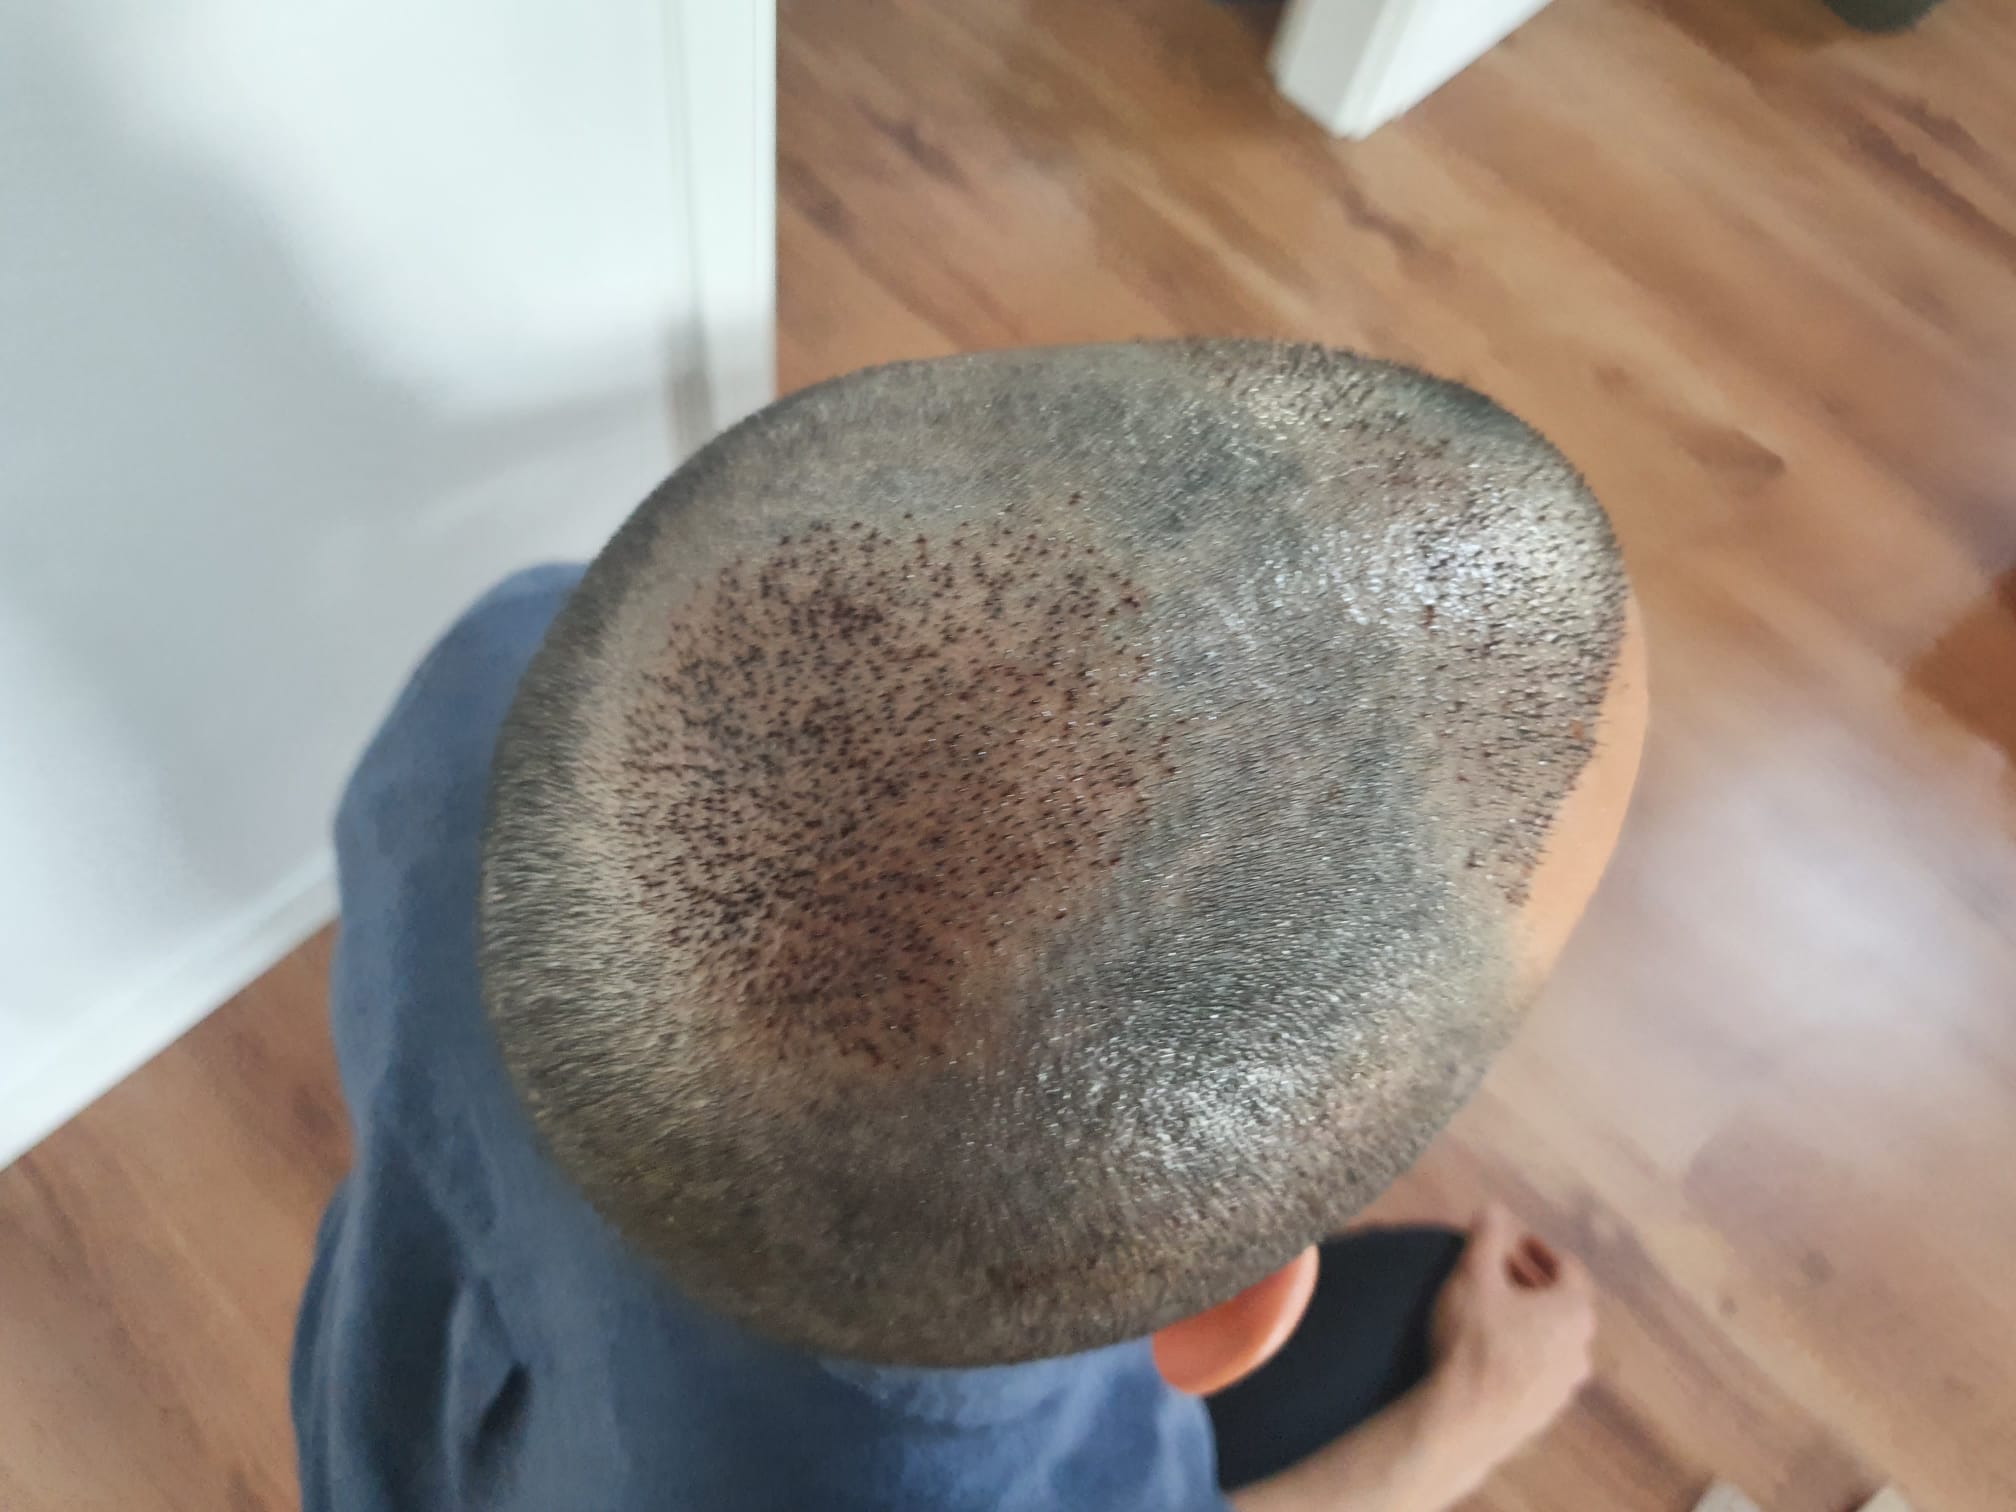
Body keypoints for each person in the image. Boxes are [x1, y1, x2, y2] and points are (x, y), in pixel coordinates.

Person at [292, 340, 1647, 1510]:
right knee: (1421, 1297)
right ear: (1216, 1321)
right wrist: (1470, 1417)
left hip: (410, 1384)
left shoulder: (495, 672)